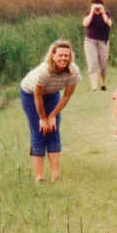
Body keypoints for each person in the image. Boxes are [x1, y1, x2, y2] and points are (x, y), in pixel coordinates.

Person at [20, 39, 81, 182]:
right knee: (39, 131)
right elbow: (38, 97)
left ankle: (56, 174)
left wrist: (53, 115)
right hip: (31, 95)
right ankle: (39, 176)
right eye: (60, 55)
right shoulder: (44, 72)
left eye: (66, 55)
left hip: (53, 93)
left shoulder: (73, 71)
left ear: (70, 56)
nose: (63, 58)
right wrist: (42, 118)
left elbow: (67, 95)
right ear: (53, 55)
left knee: (53, 129)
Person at [82, 0, 113, 91]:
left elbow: (109, 24)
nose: (97, 8)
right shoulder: (88, 13)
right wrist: (92, 12)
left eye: (99, 6)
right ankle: (94, 87)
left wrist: (103, 13)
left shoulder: (106, 13)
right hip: (90, 41)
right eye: (95, 6)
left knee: (103, 65)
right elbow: (85, 24)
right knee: (92, 63)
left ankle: (103, 83)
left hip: (103, 41)